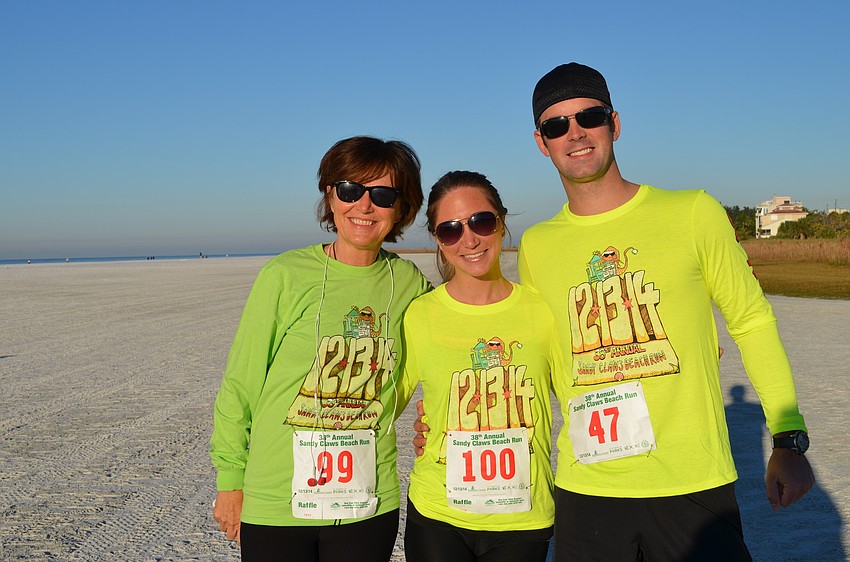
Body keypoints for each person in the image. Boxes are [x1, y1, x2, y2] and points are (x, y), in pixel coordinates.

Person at [518, 62, 815, 561]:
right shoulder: (536, 245)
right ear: (540, 141)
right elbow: (535, 358)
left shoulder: (693, 212)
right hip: (587, 490)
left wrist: (788, 437)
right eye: (556, 125)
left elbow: (751, 320)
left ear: (614, 123)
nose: (575, 133)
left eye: (588, 116)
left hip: (692, 484)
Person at [209, 136, 432, 561]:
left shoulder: (410, 286)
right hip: (277, 499)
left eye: (383, 195)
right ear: (330, 196)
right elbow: (241, 383)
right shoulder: (286, 275)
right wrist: (230, 480)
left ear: (403, 208)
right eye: (350, 190)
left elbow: (441, 357)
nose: (364, 207)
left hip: (367, 501)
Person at [400, 171, 562, 562]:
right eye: (451, 230)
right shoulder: (419, 315)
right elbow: (378, 403)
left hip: (522, 518)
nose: (469, 239)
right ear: (437, 239)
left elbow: (590, 384)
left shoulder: (544, 310)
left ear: (502, 222)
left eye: (481, 221)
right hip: (437, 512)